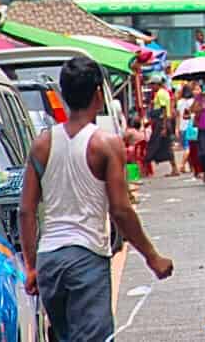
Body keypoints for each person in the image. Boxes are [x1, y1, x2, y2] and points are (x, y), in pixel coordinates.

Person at [18, 57, 174, 341]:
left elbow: (26, 210)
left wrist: (31, 266)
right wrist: (152, 257)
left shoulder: (42, 144)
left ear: (64, 95)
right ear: (98, 94)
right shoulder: (105, 144)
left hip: (50, 260)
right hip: (86, 258)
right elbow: (121, 210)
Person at [144, 74, 179, 177]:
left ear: (157, 84)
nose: (151, 87)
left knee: (154, 145)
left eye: (152, 85)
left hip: (162, 122)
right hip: (162, 122)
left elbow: (163, 110)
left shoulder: (161, 94)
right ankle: (174, 168)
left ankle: (145, 168)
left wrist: (163, 127)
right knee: (166, 146)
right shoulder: (162, 93)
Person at [175, 84, 196, 175]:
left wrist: (177, 128)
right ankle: (182, 165)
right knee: (189, 148)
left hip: (182, 127)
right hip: (190, 126)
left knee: (186, 147)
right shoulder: (193, 101)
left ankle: (191, 167)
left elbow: (178, 116)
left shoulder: (179, 102)